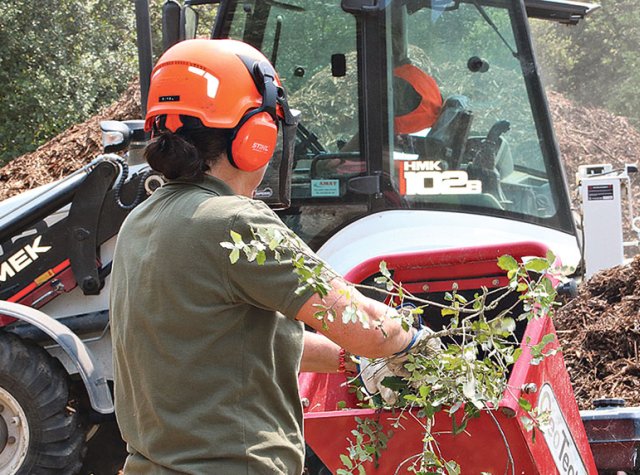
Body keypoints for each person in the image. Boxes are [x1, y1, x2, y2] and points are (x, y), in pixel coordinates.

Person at [109, 39, 431, 474]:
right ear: (253, 137)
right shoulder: (232, 221)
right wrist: (411, 341)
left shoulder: (143, 221)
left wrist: (356, 362)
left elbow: (233, 343)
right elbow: (368, 329)